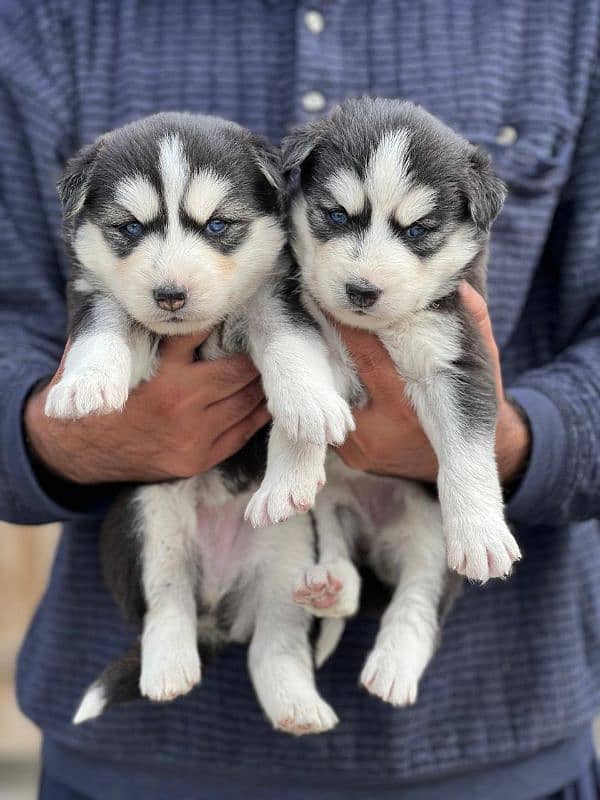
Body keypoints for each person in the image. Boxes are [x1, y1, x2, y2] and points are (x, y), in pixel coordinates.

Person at [1, 1, 599, 798]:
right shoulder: (51, 18)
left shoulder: (570, 18)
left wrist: (511, 446)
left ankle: (350, 613)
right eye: (333, 218)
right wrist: (54, 439)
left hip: (496, 751)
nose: (364, 269)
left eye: (417, 232)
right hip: (132, 767)